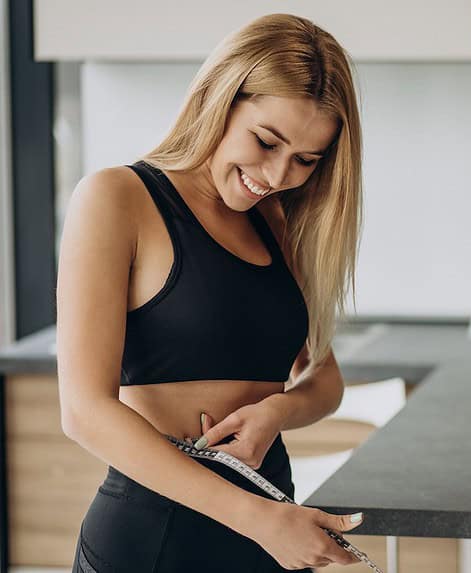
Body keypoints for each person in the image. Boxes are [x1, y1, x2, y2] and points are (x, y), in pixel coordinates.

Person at [56, 13, 365, 572]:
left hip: (271, 523)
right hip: (156, 537)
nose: (276, 175)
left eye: (306, 160)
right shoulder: (117, 197)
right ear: (220, 96)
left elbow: (325, 378)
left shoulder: (275, 221)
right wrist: (260, 520)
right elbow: (84, 410)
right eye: (266, 141)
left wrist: (276, 412)